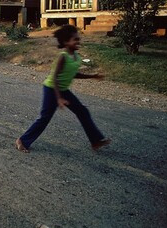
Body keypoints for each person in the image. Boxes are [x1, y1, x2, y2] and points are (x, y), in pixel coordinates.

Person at [15, 24, 111, 153]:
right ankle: (22, 140)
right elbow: (55, 77)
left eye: (78, 39)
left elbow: (73, 74)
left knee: (82, 111)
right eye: (75, 39)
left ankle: (95, 141)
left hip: (63, 90)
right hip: (51, 89)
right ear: (66, 42)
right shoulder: (63, 56)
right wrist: (59, 98)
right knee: (45, 118)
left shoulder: (76, 57)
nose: (78, 41)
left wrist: (92, 76)